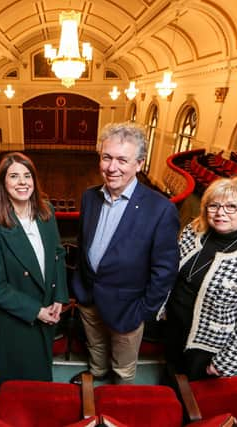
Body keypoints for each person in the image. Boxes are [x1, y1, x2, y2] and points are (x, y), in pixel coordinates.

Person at [70, 122, 180, 385]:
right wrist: (80, 290)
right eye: (106, 157)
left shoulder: (161, 209)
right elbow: (83, 244)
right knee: (96, 347)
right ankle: (96, 372)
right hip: (88, 298)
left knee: (123, 364)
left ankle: (119, 392)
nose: (112, 167)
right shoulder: (89, 197)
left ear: (139, 164)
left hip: (128, 308)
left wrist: (143, 310)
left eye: (122, 159)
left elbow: (165, 270)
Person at [164, 176, 237, 381]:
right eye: (214, 205)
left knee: (192, 396)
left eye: (231, 207)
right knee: (170, 374)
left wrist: (226, 362)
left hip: (206, 346)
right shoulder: (194, 231)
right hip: (173, 327)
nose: (220, 213)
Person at [0, 152, 68, 383]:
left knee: (41, 375)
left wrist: (59, 297)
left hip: (48, 309)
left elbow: (58, 254)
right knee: (19, 384)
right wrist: (36, 311)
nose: (22, 182)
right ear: (2, 183)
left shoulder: (46, 211)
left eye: (27, 175)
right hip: (17, 319)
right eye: (14, 176)